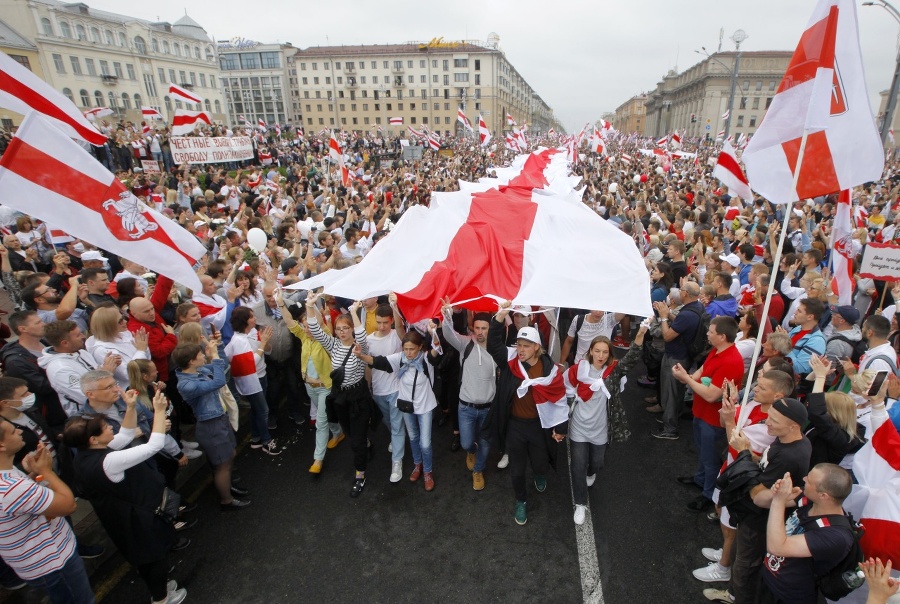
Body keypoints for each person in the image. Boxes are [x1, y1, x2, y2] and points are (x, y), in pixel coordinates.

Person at [63, 387, 187, 604]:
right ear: (93, 439)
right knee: (155, 558)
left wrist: (130, 407)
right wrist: (159, 411)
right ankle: (161, 598)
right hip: (140, 520)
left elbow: (126, 434)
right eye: (104, 427)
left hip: (125, 519)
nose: (111, 427)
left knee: (147, 559)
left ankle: (160, 589)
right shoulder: (107, 461)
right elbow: (154, 445)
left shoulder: (86, 455)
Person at [487, 300, 569, 526]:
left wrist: (560, 427)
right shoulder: (511, 360)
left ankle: (540, 473)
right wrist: (499, 317)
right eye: (518, 345)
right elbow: (493, 344)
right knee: (517, 468)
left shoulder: (549, 370)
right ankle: (521, 500)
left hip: (539, 426)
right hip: (515, 426)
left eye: (525, 346)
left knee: (540, 462)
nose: (519, 350)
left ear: (536, 347)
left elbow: (559, 397)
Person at [725, 397, 813, 604]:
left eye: (774, 420)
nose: (767, 423)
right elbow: (765, 465)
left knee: (746, 567)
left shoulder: (790, 455)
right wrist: (749, 452)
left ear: (793, 426)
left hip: (759, 522)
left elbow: (758, 496)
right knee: (742, 561)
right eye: (768, 417)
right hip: (755, 518)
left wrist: (744, 453)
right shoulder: (787, 438)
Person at [0, 420, 92, 604]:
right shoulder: (11, 488)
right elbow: (68, 505)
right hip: (54, 563)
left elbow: (19, 501)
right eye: (12, 431)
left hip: (35, 563)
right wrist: (46, 471)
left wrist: (33, 475)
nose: (19, 431)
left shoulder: (8, 476)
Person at [564, 324, 646, 525]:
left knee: (597, 462)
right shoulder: (578, 370)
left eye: (605, 352)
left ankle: (592, 472)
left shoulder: (613, 371)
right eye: (597, 351)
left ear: (609, 354)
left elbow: (632, 358)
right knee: (577, 466)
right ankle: (581, 504)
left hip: (601, 430)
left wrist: (641, 334)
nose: (600, 355)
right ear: (590, 351)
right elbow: (564, 388)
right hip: (579, 429)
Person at [673, 317, 746, 512]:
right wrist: (687, 377)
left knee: (710, 458)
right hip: (702, 413)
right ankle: (700, 479)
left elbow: (711, 395)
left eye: (711, 332)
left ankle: (708, 494)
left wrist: (687, 380)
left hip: (713, 420)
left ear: (722, 336)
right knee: (703, 452)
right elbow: (704, 370)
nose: (707, 334)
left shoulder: (731, 361)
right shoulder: (718, 350)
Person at [355, 327, 441, 491]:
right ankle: (418, 465)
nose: (408, 353)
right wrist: (360, 355)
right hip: (406, 405)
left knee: (425, 443)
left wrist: (433, 332)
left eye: (412, 349)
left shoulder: (426, 359)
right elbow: (378, 361)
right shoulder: (399, 359)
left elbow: (436, 347)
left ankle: (428, 472)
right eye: (406, 349)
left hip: (425, 406)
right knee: (413, 437)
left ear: (420, 347)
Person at [305, 293, 373, 497]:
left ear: (351, 329)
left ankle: (360, 475)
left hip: (358, 397)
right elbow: (316, 330)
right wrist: (310, 306)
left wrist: (353, 311)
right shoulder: (333, 345)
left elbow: (361, 334)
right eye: (339, 329)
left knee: (356, 442)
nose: (342, 332)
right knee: (351, 434)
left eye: (346, 328)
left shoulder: (360, 346)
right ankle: (365, 443)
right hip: (341, 399)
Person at [760, 464, 856, 604]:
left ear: (824, 496)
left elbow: (776, 547)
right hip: (769, 579)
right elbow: (759, 500)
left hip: (790, 596)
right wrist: (775, 492)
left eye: (809, 481)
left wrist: (779, 500)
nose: (804, 479)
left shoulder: (836, 536)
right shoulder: (810, 500)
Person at [174, 340, 249, 511]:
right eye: (199, 355)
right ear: (191, 361)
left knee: (229, 455)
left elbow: (222, 370)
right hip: (211, 425)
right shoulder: (186, 384)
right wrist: (214, 357)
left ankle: (227, 486)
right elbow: (218, 382)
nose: (202, 356)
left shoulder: (198, 370)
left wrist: (217, 351)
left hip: (219, 420)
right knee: (223, 464)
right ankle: (226, 500)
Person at [274, 292, 343, 474]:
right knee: (325, 415)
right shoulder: (304, 337)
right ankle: (338, 432)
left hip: (324, 388)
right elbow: (290, 322)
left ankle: (317, 460)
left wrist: (310, 306)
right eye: (304, 327)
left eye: (309, 326)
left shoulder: (325, 338)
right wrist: (280, 303)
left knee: (320, 423)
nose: (306, 329)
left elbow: (318, 322)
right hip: (309, 387)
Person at [441, 301, 497, 492]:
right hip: (466, 407)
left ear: (490, 329)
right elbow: (448, 333)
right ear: (473, 329)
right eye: (477, 328)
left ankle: (478, 470)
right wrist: (447, 315)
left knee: (486, 443)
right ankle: (471, 451)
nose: (480, 331)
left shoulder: (497, 350)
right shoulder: (466, 343)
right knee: (466, 443)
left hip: (488, 408)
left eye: (484, 328)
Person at [363, 297, 408, 483]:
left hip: (397, 389)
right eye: (379, 322)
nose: (382, 326)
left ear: (391, 320)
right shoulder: (368, 340)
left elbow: (400, 327)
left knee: (396, 426)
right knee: (389, 421)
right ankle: (398, 439)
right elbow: (368, 365)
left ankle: (397, 462)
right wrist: (368, 386)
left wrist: (395, 306)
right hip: (379, 390)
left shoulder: (397, 336)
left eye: (385, 322)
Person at [224, 307, 280, 455]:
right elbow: (251, 363)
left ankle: (256, 438)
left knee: (256, 409)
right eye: (251, 317)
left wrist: (265, 343)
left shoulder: (254, 332)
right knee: (263, 410)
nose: (255, 319)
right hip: (252, 381)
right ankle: (266, 441)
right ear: (244, 321)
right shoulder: (239, 341)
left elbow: (266, 351)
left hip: (261, 375)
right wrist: (263, 344)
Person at [652, 281, 703, 440]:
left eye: (681, 290)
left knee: (671, 392)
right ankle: (672, 416)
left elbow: (667, 336)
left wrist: (663, 318)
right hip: (684, 356)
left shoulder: (687, 314)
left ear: (685, 294)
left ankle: (670, 428)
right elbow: (681, 323)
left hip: (676, 357)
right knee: (676, 392)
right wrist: (668, 313)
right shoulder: (697, 308)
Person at [86, 306, 151, 389]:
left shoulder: (124, 334)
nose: (125, 321)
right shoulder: (101, 350)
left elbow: (147, 361)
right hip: (131, 391)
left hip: (144, 382)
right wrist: (141, 350)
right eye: (120, 321)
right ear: (109, 326)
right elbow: (128, 374)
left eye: (123, 317)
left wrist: (144, 348)